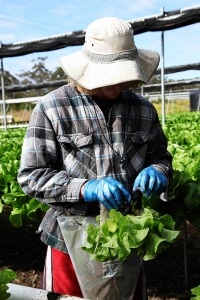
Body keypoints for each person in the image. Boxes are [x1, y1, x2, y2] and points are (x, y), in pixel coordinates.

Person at [17, 16, 173, 299]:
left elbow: (161, 157)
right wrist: (86, 188)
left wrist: (158, 172)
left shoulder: (144, 110)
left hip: (128, 239)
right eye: (108, 76)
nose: (117, 83)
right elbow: (32, 176)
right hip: (71, 241)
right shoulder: (53, 108)